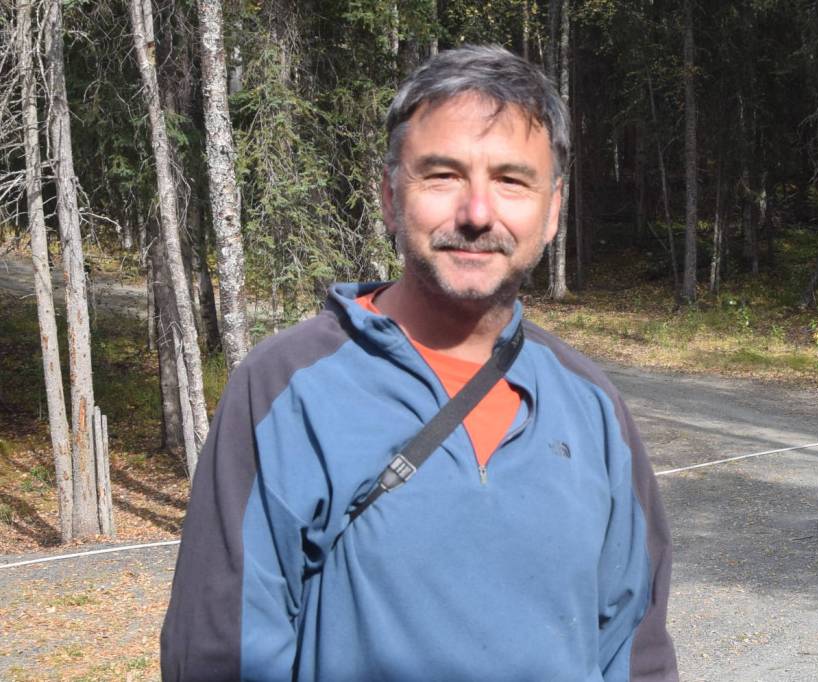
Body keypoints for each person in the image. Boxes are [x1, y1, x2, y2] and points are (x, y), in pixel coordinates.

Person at [161, 44, 678, 682]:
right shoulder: (285, 390)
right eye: (443, 175)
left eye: (512, 181)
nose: (477, 213)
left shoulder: (593, 406)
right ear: (389, 195)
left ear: (552, 212)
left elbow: (635, 649)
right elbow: (222, 655)